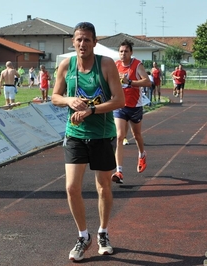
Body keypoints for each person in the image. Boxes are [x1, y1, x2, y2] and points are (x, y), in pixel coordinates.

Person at [51, 22, 124, 262]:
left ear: (94, 42)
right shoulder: (66, 65)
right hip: (74, 135)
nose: (82, 44)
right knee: (72, 188)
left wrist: (91, 110)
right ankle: (83, 236)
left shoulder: (106, 65)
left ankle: (103, 232)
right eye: (78, 40)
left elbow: (119, 101)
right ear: (73, 42)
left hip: (102, 135)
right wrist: (69, 100)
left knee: (103, 186)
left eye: (87, 40)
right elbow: (55, 97)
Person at [111, 39, 151, 184]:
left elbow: (147, 82)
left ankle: (142, 153)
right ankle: (119, 171)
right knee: (120, 136)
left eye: (126, 51)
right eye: (121, 51)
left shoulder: (137, 65)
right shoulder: (115, 65)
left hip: (135, 106)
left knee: (137, 135)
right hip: (120, 105)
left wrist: (130, 83)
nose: (123, 54)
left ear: (131, 52)